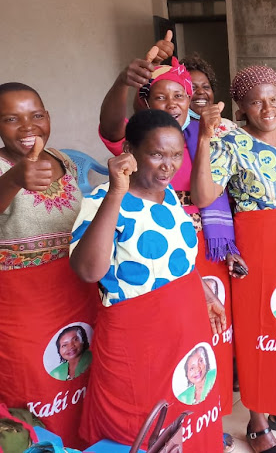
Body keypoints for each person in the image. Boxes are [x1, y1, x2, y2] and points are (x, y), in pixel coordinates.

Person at [191, 65, 276, 453]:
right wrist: (204, 138)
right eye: (256, 102)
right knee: (261, 335)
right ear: (242, 107)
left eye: (273, 99)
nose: (267, 108)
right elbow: (203, 196)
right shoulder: (231, 141)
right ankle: (256, 422)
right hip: (258, 246)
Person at [98, 50, 243, 426]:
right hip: (148, 249)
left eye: (180, 95)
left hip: (199, 243)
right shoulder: (145, 140)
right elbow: (111, 126)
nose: (173, 104)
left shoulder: (202, 133)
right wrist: (122, 81)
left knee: (208, 333)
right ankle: (175, 417)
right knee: (167, 342)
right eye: (161, 96)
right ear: (146, 100)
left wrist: (206, 138)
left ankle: (209, 411)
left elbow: (204, 195)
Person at [70, 109, 226, 452]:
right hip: (138, 340)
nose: (167, 166)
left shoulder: (170, 197)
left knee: (185, 416)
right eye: (156, 154)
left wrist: (204, 294)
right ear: (129, 150)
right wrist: (115, 191)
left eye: (175, 155)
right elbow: (88, 271)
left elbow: (179, 262)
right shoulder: (103, 200)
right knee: (139, 427)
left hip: (183, 328)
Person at [0, 82, 96, 447]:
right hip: (20, 301)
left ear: (48, 118)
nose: (27, 126)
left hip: (75, 289)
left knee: (80, 374)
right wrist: (13, 178)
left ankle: (83, 441)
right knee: (31, 382)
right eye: (12, 118)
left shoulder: (63, 160)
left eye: (36, 115)